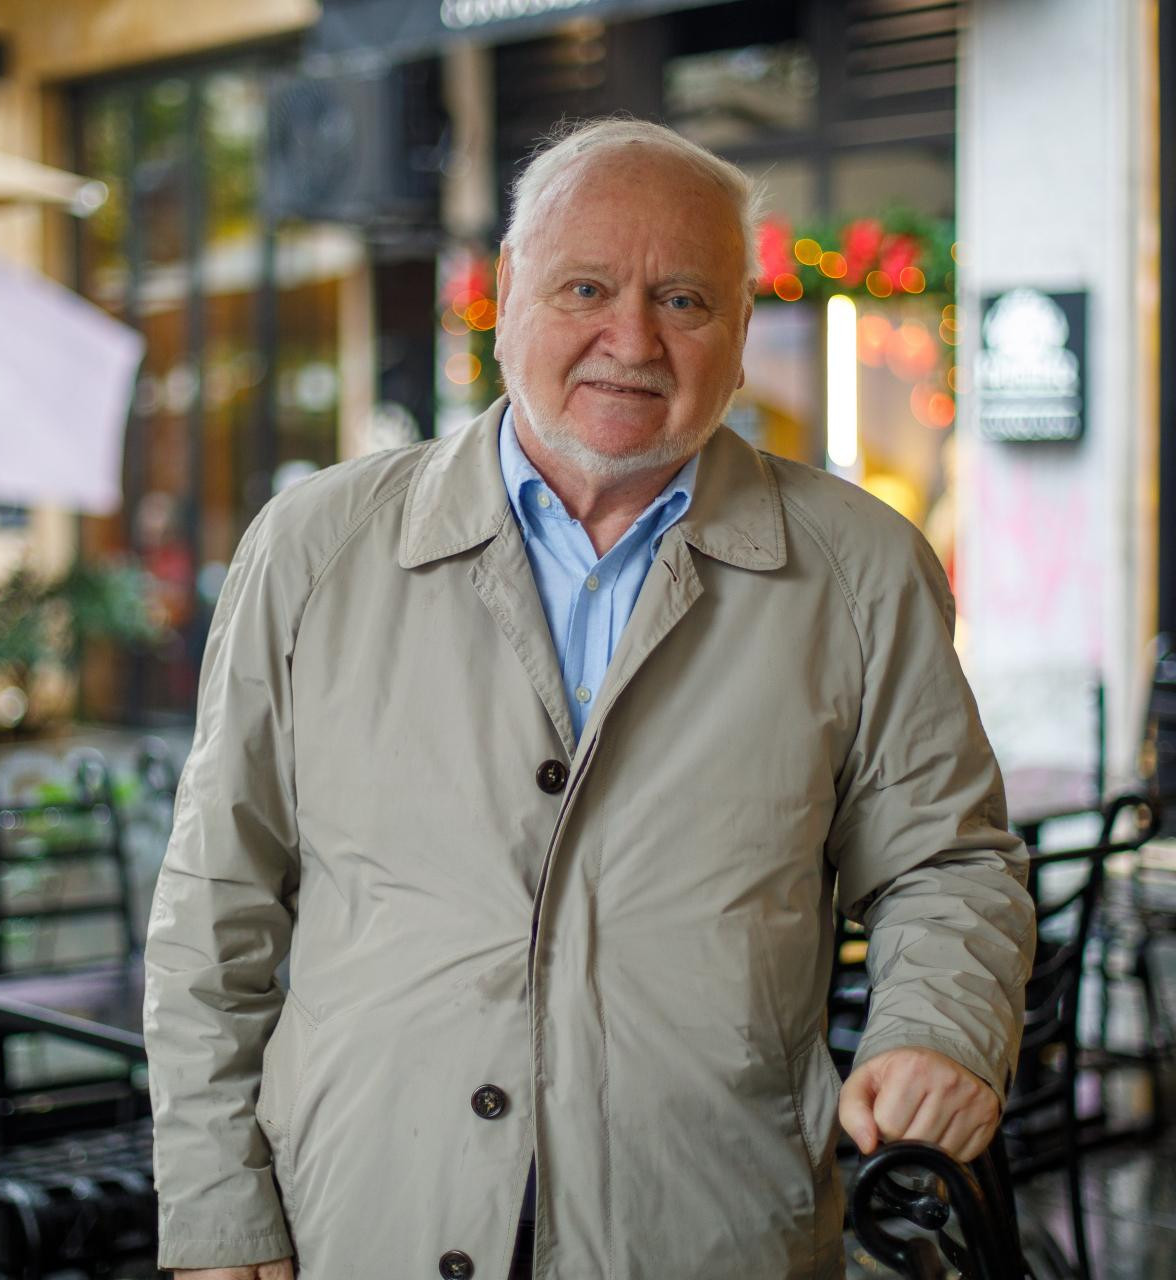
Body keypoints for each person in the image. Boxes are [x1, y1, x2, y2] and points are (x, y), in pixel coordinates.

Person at [144, 117, 1034, 1280]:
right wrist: (218, 1207)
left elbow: (947, 864)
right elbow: (216, 900)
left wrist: (938, 1028)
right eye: (587, 288)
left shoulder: (861, 570)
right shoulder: (312, 548)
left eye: (684, 300)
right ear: (506, 296)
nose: (633, 339)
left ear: (740, 331)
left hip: (709, 1227)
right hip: (364, 1215)